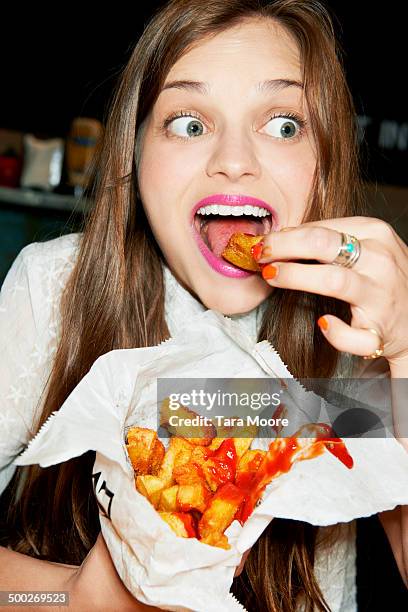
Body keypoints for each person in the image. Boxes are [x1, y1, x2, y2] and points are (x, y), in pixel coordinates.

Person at [0, 0, 407, 610]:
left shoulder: (358, 338)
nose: (235, 162)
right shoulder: (53, 290)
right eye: (190, 123)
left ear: (325, 162)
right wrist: (63, 597)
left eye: (285, 125)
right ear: (134, 155)